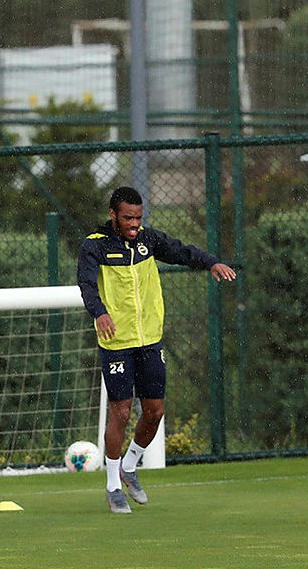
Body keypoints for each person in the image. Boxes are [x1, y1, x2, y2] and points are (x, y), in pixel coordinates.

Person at [77, 187, 236, 514]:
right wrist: (100, 312)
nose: (134, 224)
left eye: (138, 217)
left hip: (149, 339)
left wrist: (211, 263)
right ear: (113, 215)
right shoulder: (95, 245)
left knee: (155, 412)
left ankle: (129, 466)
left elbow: (181, 251)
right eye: (128, 218)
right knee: (121, 412)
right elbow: (87, 285)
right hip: (117, 342)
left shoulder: (148, 240)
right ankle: (112, 485)